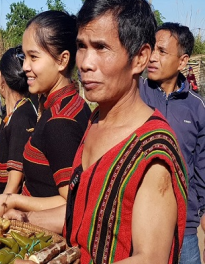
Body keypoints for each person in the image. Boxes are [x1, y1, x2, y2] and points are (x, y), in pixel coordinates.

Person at [63, 0, 188, 263]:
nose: (85, 63)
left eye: (101, 47)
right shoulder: (96, 119)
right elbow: (86, 215)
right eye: (81, 46)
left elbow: (151, 258)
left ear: (140, 58)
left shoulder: (152, 150)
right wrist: (23, 214)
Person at [0, 11, 91, 217]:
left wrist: (13, 199)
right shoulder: (68, 103)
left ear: (62, 60)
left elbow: (69, 203)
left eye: (33, 57)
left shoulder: (60, 121)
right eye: (24, 57)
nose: (25, 67)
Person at [140, 23, 205, 264]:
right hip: (140, 220)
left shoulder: (197, 107)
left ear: (182, 61)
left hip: (185, 224)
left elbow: (202, 164)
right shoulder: (136, 94)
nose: (152, 58)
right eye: (152, 49)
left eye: (162, 52)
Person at [0, 47, 37, 194]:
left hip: (10, 209)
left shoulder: (21, 119)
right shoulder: (12, 114)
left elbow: (14, 185)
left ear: (0, 78)